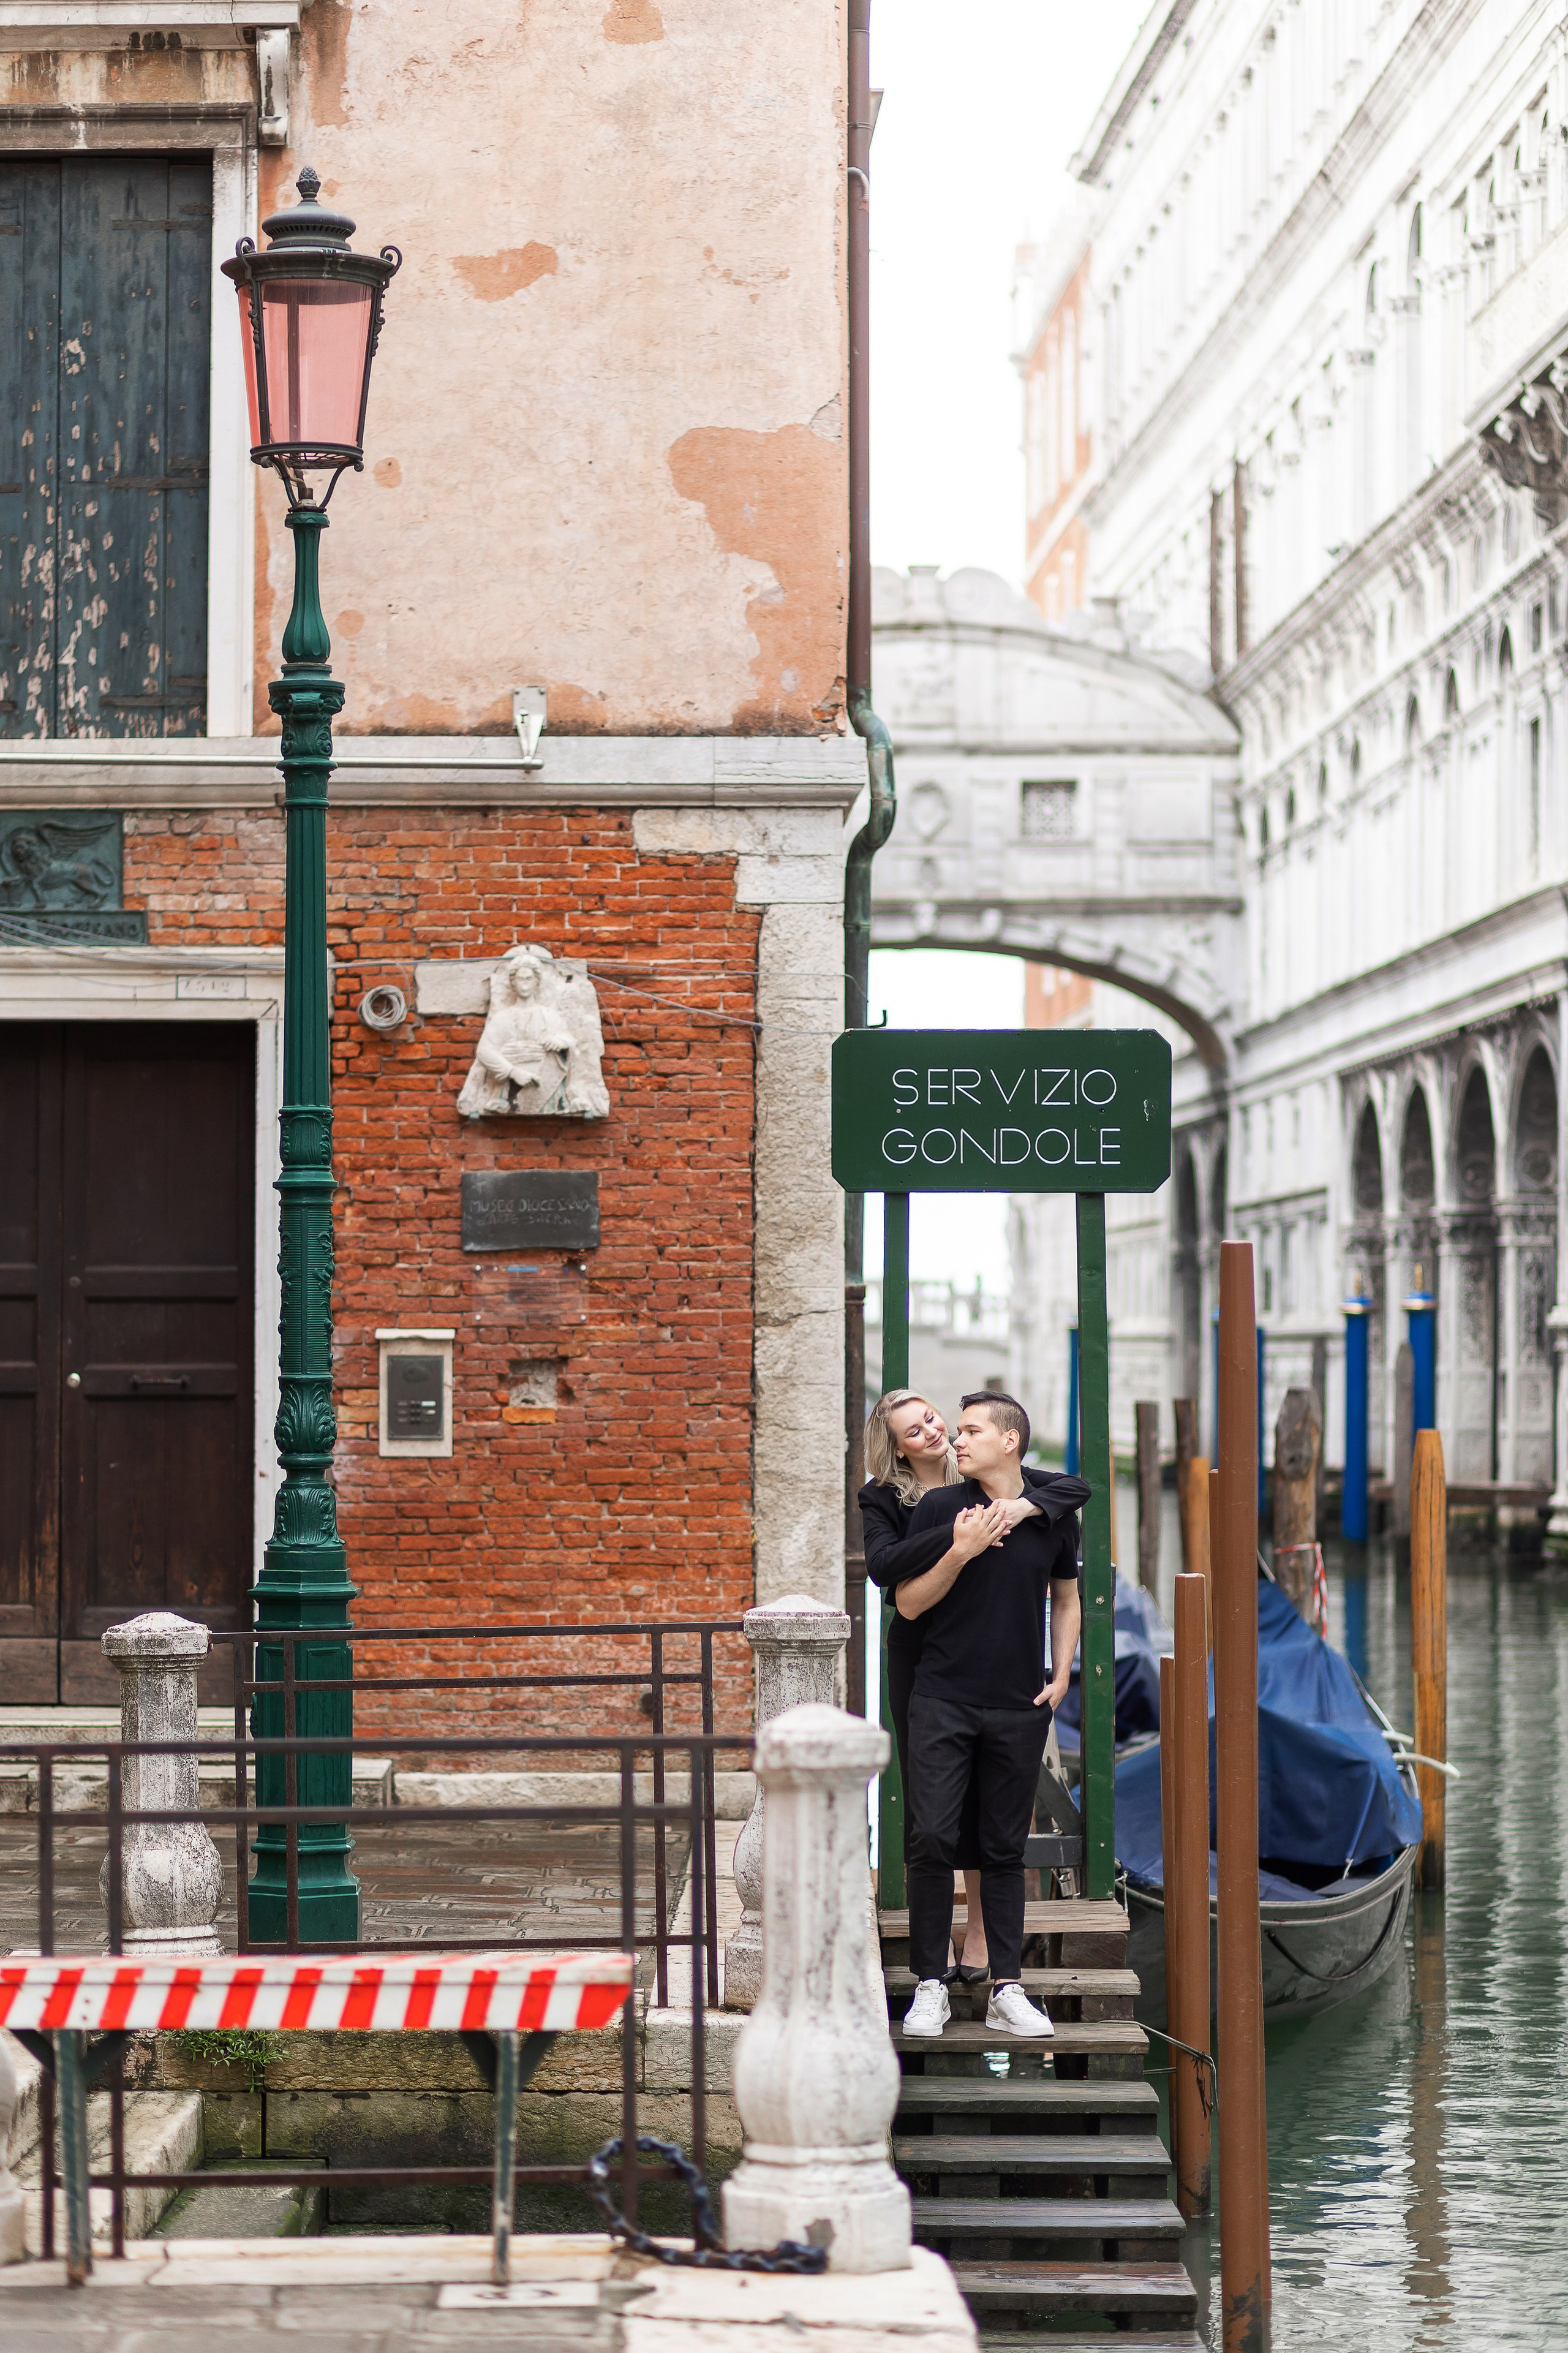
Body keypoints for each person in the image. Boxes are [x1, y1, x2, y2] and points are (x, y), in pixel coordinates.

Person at [894, 1391, 1085, 2041]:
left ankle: (1008, 1987)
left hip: (1017, 1704)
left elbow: (1066, 1598)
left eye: (972, 1429)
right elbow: (910, 1604)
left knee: (1004, 1850)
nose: (958, 1439)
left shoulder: (1053, 1511)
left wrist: (1061, 1673)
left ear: (1010, 1440)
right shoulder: (942, 1507)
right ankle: (929, 1986)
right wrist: (960, 1550)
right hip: (941, 1698)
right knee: (932, 1840)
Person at [859, 1389, 1065, 1979]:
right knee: (934, 1805)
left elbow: (1072, 1489)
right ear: (896, 1449)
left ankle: (979, 1933)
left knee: (991, 1807)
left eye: (931, 1417)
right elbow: (884, 1567)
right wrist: (961, 1536)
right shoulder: (887, 1498)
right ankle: (936, 1948)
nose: (931, 1430)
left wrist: (1021, 1510)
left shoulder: (977, 1469)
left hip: (992, 1653)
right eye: (913, 1429)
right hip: (921, 1654)